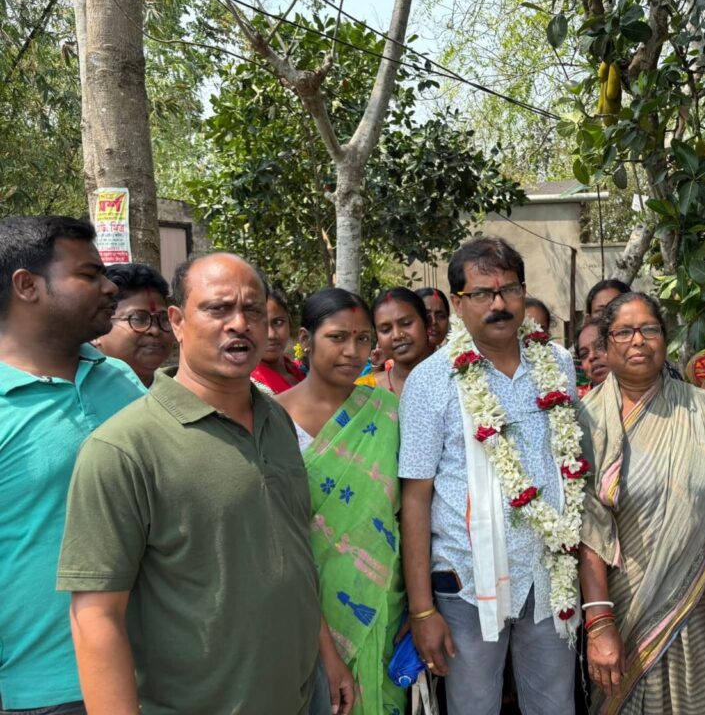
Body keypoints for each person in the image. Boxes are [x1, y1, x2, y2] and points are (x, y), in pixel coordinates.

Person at [56, 253, 353, 715]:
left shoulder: (275, 418)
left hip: (298, 694)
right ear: (176, 321)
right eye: (217, 309)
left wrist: (328, 659)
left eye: (253, 310)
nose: (240, 324)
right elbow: (95, 617)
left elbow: (292, 554)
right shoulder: (123, 449)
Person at [399, 236, 581, 715]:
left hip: (549, 579)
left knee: (555, 708)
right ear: (457, 303)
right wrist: (422, 610)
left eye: (509, 289)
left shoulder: (558, 365)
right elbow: (415, 498)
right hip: (466, 583)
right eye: (482, 293)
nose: (499, 303)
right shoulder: (430, 379)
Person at [0, 216, 146, 714]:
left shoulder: (121, 379)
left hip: (155, 674)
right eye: (88, 275)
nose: (110, 287)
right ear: (27, 286)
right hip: (45, 694)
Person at [577, 292, 705, 714]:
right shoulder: (586, 420)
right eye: (624, 332)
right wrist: (599, 624)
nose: (638, 341)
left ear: (664, 339)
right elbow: (586, 530)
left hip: (700, 601)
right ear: (606, 344)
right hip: (621, 610)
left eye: (649, 329)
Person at [278, 288, 406, 715]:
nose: (353, 351)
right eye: (337, 337)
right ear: (305, 338)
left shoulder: (387, 412)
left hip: (382, 599)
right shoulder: (272, 419)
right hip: (302, 607)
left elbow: (403, 511)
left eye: (364, 338)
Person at [92, 262, 175, 387]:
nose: (155, 330)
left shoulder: (185, 394)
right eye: (139, 319)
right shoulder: (77, 396)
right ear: (96, 330)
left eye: (163, 319)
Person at [355, 288, 432, 397]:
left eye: (406, 323)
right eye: (386, 330)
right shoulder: (364, 390)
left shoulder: (458, 379)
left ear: (427, 323)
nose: (396, 335)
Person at [251, 288, 305, 395]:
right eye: (261, 325)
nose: (271, 335)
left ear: (289, 323)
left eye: (278, 322)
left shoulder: (301, 370)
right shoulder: (249, 389)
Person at [576, 319, 609, 398]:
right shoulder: (578, 402)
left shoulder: (639, 391)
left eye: (599, 346)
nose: (591, 356)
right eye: (584, 354)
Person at [417, 286, 451, 350]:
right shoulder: (397, 359)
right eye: (426, 315)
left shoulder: (454, 358)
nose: (434, 321)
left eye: (440, 316)